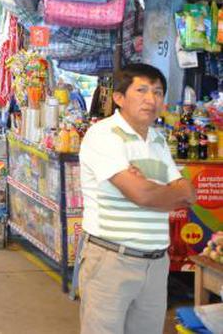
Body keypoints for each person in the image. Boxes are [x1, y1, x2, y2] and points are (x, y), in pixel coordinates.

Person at [78, 63, 195, 334]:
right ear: (119, 98)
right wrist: (155, 192)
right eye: (141, 90)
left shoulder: (158, 140)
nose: (151, 99)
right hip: (112, 259)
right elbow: (142, 195)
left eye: (157, 92)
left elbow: (189, 194)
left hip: (156, 263)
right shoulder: (103, 135)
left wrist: (149, 189)